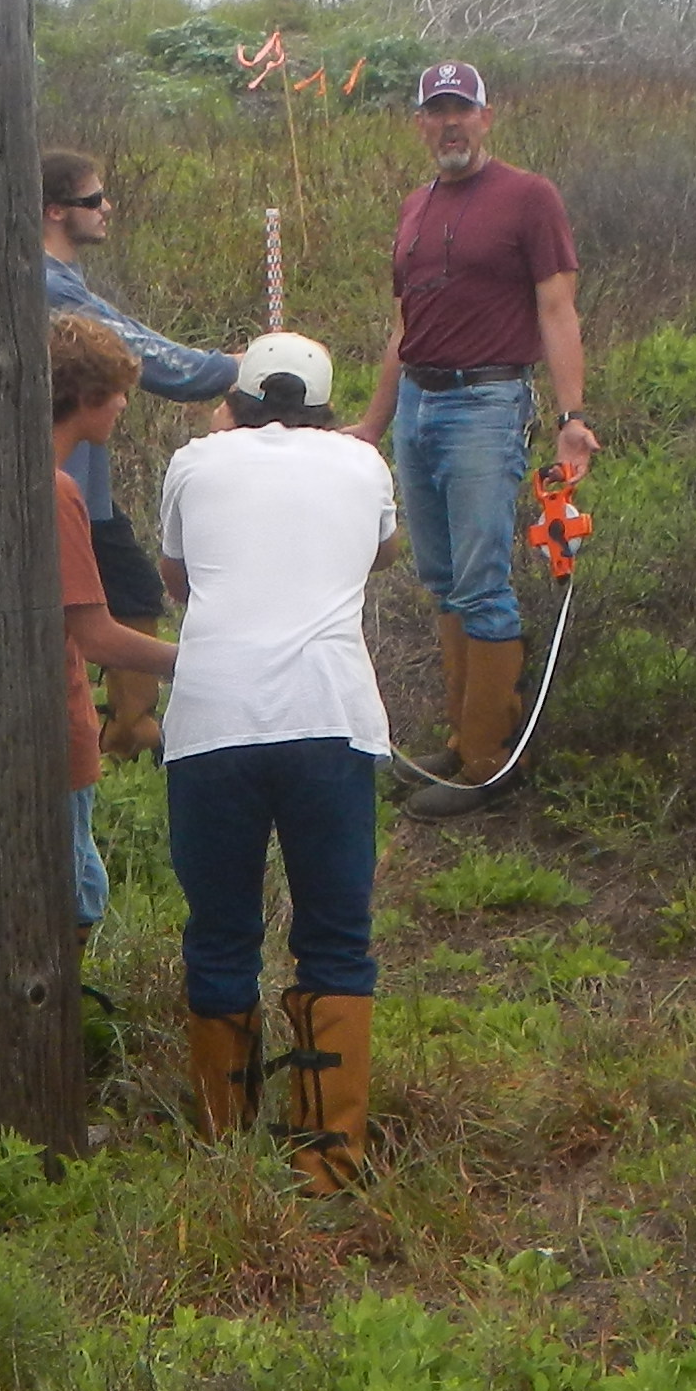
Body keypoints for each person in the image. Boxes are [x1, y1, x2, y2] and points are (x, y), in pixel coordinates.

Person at [157, 330, 400, 1192]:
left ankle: (224, 1143)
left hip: (213, 719)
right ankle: (329, 1159)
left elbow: (178, 579)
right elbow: (377, 554)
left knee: (220, 931)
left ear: (241, 399)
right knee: (336, 937)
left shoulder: (194, 461)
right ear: (324, 402)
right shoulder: (363, 467)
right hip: (329, 719)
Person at [349, 63, 594, 816]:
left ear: (487, 118)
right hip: (421, 404)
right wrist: (372, 422)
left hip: (487, 401)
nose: (451, 124)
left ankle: (489, 764)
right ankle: (460, 741)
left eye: (464, 110)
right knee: (441, 575)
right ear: (420, 123)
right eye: (437, 111)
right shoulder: (415, 207)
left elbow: (557, 309)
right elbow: (403, 327)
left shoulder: (529, 197)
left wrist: (570, 417)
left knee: (482, 579)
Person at [0, 313, 181, 933]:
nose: (125, 403)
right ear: (85, 399)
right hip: (42, 722)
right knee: (67, 897)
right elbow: (94, 635)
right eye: (117, 391)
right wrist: (202, 662)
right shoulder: (55, 491)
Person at [40, 149, 236, 752]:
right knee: (93, 606)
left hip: (82, 486)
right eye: (92, 200)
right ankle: (119, 728)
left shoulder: (59, 279)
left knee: (126, 590)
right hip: (55, 486)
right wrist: (239, 369)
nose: (107, 209)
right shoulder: (43, 282)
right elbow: (146, 356)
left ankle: (129, 726)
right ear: (53, 212)